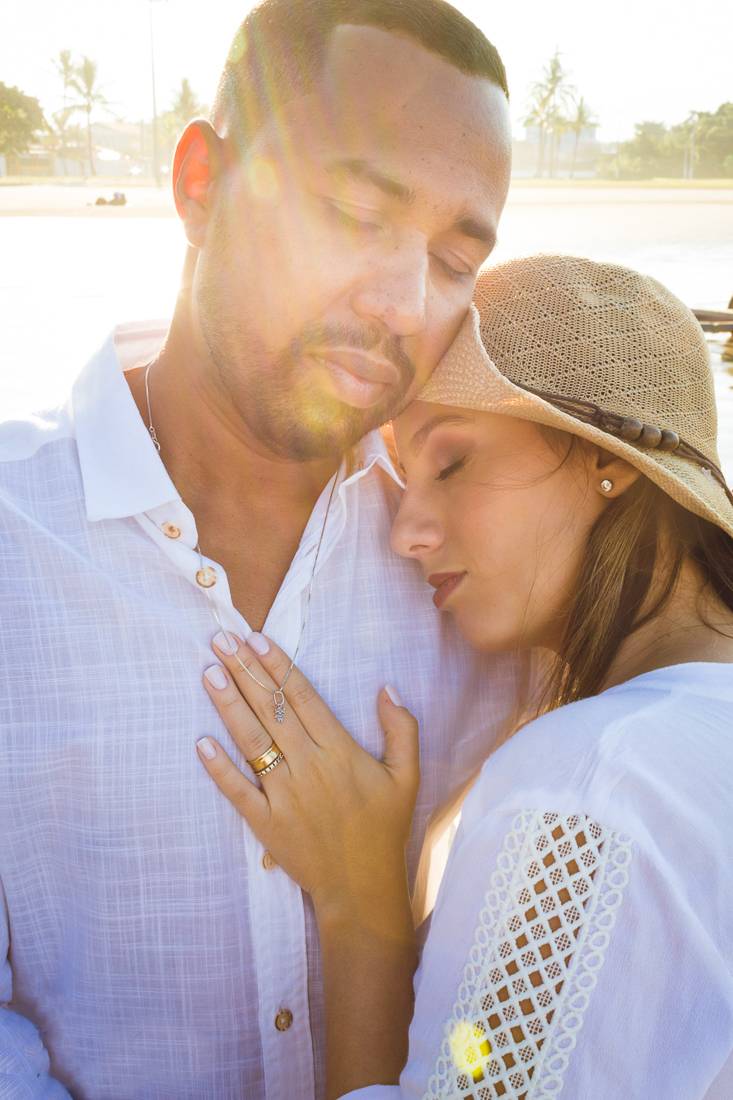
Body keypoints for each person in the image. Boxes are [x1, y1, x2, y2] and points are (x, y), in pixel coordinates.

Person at [0, 3, 529, 1098]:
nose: (399, 303)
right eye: (348, 212)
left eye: (450, 259)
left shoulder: (482, 574)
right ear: (200, 184)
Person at [197, 254, 733, 1099]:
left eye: (450, 465)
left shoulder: (593, 785)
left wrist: (361, 906)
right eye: (403, 482)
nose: (406, 531)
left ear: (612, 461)